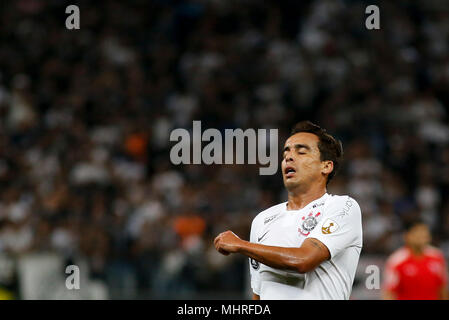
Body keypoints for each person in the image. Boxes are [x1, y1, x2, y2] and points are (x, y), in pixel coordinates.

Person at [214, 121, 363, 299]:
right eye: (286, 152)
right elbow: (259, 293)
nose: (289, 157)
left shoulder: (342, 207)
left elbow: (303, 260)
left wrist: (241, 245)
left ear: (326, 166)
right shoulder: (262, 220)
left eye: (301, 152)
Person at [382, 219, 449, 300]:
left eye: (424, 232)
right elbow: (389, 293)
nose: (422, 236)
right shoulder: (396, 261)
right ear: (406, 236)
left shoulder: (437, 257)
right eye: (417, 232)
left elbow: (443, 289)